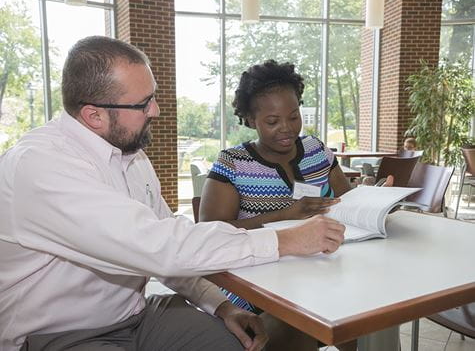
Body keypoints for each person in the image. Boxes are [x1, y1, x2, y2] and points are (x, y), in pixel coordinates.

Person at [0, 36, 347, 351]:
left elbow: (168, 240)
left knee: (236, 344)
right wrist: (285, 241)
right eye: (143, 104)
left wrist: (222, 305)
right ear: (93, 115)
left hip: (136, 314)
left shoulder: (131, 156)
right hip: (57, 333)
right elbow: (157, 247)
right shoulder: (40, 166)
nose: (156, 111)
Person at [199, 60, 359, 351]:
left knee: (348, 318)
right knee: (299, 324)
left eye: (294, 116)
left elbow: (345, 201)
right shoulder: (233, 163)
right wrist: (283, 215)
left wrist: (373, 200)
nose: (287, 129)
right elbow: (210, 232)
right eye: (272, 121)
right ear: (250, 119)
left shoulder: (316, 151)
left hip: (321, 268)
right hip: (255, 282)